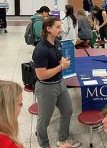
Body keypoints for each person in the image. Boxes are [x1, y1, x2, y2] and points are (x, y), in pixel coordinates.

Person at [32, 17, 81, 148]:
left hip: (60, 83)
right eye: (58, 27)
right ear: (48, 29)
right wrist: (61, 67)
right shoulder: (40, 50)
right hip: (46, 88)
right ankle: (44, 144)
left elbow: (58, 60)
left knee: (68, 111)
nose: (61, 30)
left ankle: (63, 140)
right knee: (44, 120)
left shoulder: (58, 43)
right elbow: (41, 75)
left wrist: (63, 61)